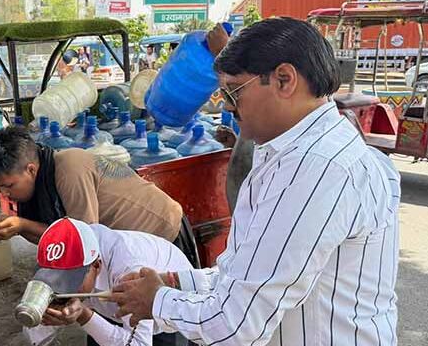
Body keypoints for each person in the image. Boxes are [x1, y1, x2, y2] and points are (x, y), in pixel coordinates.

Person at [111, 18, 400, 346]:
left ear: (284, 80)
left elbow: (238, 324)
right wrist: (177, 282)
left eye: (233, 91)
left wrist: (158, 300)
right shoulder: (290, 151)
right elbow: (252, 272)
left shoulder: (316, 168)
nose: (228, 107)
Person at [0, 127, 200, 268]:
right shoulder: (41, 179)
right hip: (121, 248)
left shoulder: (69, 168)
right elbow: (54, 240)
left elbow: (84, 241)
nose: (4, 193)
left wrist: (22, 225)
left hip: (161, 234)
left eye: (8, 185)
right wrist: (18, 227)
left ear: (31, 169)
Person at [31, 218, 193, 346]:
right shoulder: (78, 252)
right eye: (56, 280)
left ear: (96, 265)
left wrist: (83, 316)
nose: (63, 290)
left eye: (71, 281)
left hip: (166, 313)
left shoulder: (130, 272)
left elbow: (138, 343)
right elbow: (34, 330)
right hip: (112, 302)